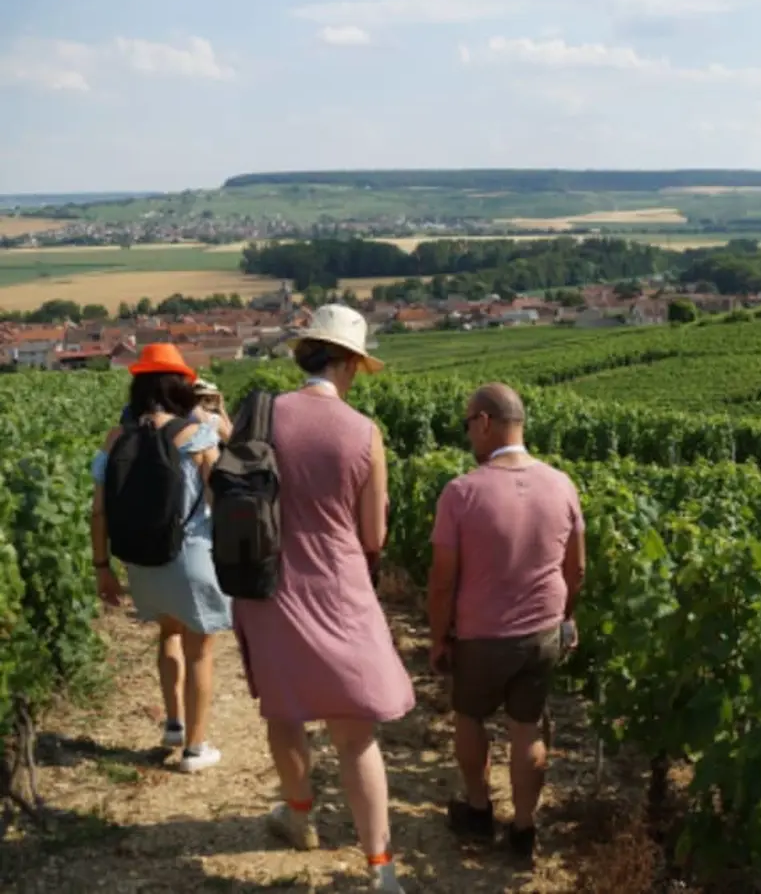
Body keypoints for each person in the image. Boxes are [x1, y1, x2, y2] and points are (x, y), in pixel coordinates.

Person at [231, 304, 413, 894]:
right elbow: (374, 536)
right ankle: (380, 871)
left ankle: (299, 817)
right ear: (353, 364)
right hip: (338, 587)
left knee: (284, 710)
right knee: (356, 734)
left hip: (269, 584)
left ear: (305, 353)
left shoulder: (260, 417)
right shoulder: (364, 432)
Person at [427, 382, 586, 863]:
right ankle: (523, 830)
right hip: (541, 633)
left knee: (471, 717)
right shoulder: (561, 484)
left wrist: (438, 638)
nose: (468, 435)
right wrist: (566, 618)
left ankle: (478, 813)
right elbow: (576, 569)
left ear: (483, 422)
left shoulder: (462, 492)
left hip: (481, 635)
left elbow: (442, 582)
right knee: (528, 727)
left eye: (467, 425)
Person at [89, 343, 229, 773]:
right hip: (190, 556)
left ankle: (173, 724)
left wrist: (102, 568)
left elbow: (99, 510)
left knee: (167, 635)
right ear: (179, 386)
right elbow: (220, 499)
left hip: (141, 559)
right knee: (201, 650)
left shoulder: (115, 439)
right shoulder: (196, 436)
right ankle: (195, 748)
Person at [192, 378, 233, 442]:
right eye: (209, 398)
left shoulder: (185, 414)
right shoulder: (213, 418)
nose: (214, 401)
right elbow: (231, 438)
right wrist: (222, 409)